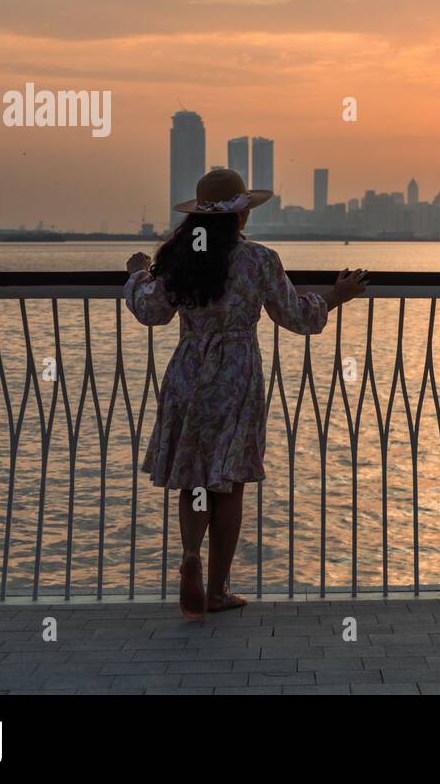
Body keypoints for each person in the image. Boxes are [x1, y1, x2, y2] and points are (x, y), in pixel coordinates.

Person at [124, 168, 367, 620]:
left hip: (188, 371)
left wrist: (138, 274)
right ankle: (217, 589)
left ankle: (191, 554)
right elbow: (298, 317)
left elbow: (152, 311)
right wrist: (337, 295)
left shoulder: (181, 258)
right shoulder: (258, 259)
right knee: (229, 482)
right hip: (236, 375)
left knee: (193, 476)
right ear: (240, 218)